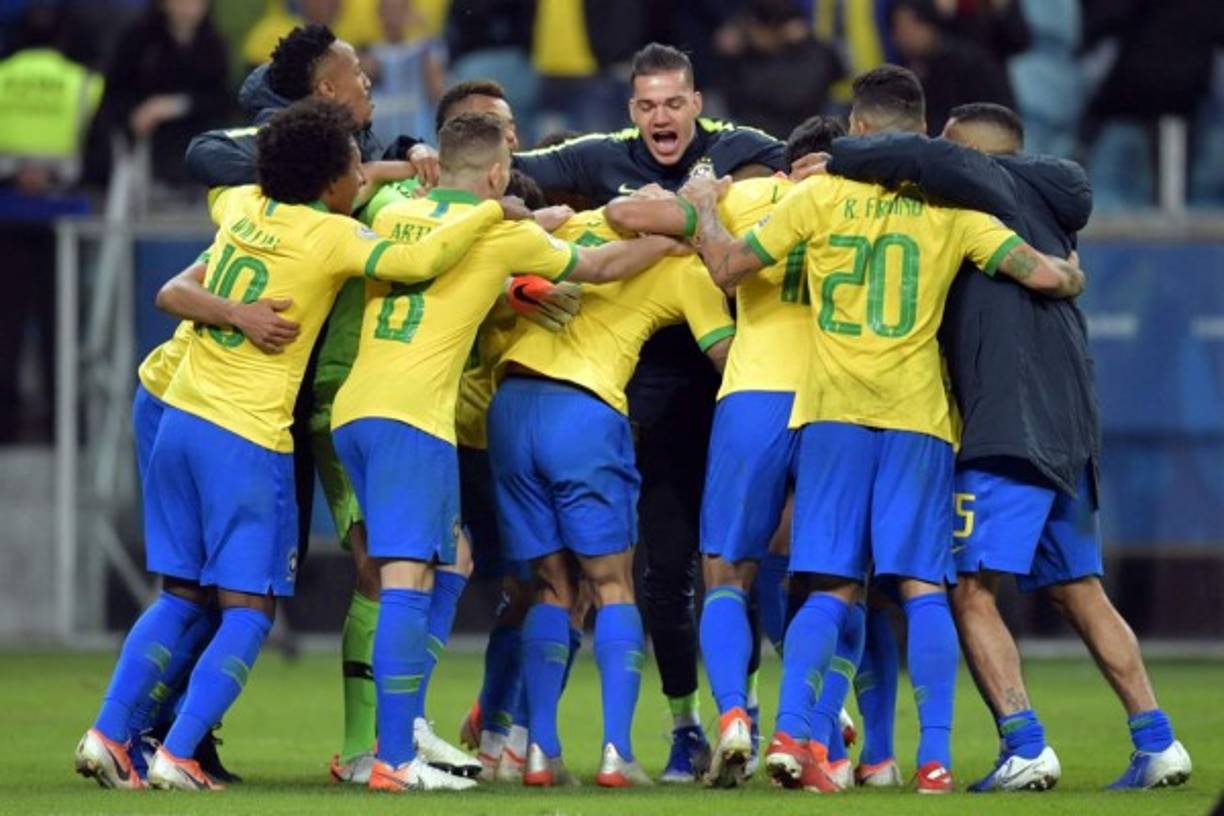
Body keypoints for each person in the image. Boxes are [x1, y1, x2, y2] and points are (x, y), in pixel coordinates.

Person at [73, 97, 512, 792]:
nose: (361, 177)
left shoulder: (244, 205)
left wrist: (234, 311)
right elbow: (419, 257)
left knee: (181, 596)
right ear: (330, 181)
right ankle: (178, 753)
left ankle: (107, 735)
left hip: (178, 419)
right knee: (250, 610)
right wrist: (490, 209)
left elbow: (175, 288)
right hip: (245, 436)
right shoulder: (330, 235)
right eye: (354, 167)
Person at [683, 64, 1084, 795]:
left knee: (827, 585)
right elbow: (1042, 275)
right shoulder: (952, 208)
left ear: (858, 129)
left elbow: (729, 267)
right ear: (923, 133)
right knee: (924, 588)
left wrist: (708, 212)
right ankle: (932, 760)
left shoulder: (819, 197)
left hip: (834, 414)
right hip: (917, 420)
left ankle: (790, 734)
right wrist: (1073, 271)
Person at [823, 101, 1193, 791]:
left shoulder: (982, 189)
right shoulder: (1050, 201)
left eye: (949, 149)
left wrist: (838, 156)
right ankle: (1158, 741)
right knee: (1079, 588)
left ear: (970, 156)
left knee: (970, 588)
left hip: (1005, 426)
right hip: (1069, 427)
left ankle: (1023, 745)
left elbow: (927, 156)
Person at [330, 110, 684, 793]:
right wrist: (670, 240)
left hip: (355, 410)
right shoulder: (498, 235)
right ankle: (395, 755)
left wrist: (535, 220)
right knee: (407, 579)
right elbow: (598, 265)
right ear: (497, 174)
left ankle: (406, 735)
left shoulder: (397, 212)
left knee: (444, 562)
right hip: (413, 416)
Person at [513, 42, 786, 782]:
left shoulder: (746, 150)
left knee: (740, 562)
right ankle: (686, 724)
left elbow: (800, 177)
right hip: (648, 399)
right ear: (631, 110)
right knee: (664, 570)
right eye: (646, 105)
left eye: (673, 102)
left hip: (731, 392)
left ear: (696, 103)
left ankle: (751, 711)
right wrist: (496, 194)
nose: (660, 116)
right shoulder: (601, 157)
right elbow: (514, 174)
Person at [602, 114, 848, 789]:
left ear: (786, 166)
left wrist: (703, 200)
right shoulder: (861, 205)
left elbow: (628, 215)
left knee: (724, 574)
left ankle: (733, 715)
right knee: (828, 578)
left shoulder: (752, 196)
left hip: (751, 393)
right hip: (834, 399)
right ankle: (812, 736)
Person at [487, 206, 735, 788]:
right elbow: (726, 355)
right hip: (584, 412)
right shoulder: (682, 265)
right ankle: (616, 754)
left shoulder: (577, 228)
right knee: (612, 584)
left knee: (551, 586)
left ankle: (540, 753)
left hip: (511, 405)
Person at [96, 0, 230, 189]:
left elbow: (221, 99)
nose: (187, 8)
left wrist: (174, 106)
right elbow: (114, 93)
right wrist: (134, 115)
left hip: (196, 146)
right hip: (142, 151)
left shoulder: (213, 46)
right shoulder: (138, 40)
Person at [888, 0, 1015, 135]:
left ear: (929, 25)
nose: (904, 36)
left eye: (909, 28)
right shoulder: (902, 75)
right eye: (898, 29)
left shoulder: (969, 63)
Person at [365, 0, 445, 149]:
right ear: (378, 15)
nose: (393, 16)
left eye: (398, 10)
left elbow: (437, 93)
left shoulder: (425, 50)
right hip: (381, 140)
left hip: (419, 134)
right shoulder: (369, 53)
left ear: (409, 13)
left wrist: (424, 31)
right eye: (387, 10)